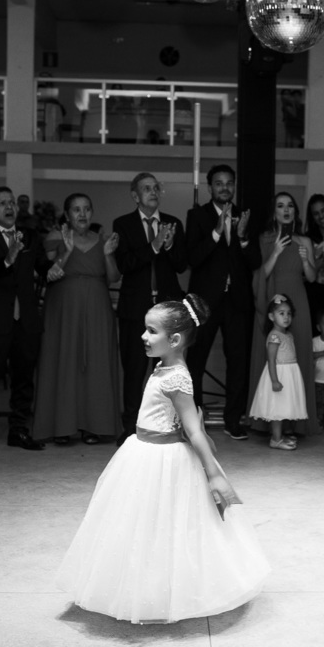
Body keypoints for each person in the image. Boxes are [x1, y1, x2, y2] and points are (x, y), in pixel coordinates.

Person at [55, 295, 270, 623]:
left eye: (151, 331)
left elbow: (195, 431)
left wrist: (213, 474)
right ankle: (141, 586)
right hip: (142, 450)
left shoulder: (177, 378)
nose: (143, 336)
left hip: (162, 458)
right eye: (145, 329)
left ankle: (167, 591)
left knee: (164, 525)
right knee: (140, 524)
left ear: (175, 340)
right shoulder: (163, 365)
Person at [32, 193, 122, 445]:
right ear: (67, 214)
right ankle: (61, 426)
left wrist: (106, 254)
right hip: (63, 307)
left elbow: (114, 277)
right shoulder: (54, 237)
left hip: (97, 306)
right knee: (62, 359)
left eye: (86, 209)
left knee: (96, 361)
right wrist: (68, 250)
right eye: (76, 210)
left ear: (92, 212)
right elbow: (50, 273)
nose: (82, 214)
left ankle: (95, 426)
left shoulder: (103, 239)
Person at [185, 165, 262, 440]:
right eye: (219, 183)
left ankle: (233, 420)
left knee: (238, 361)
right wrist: (216, 233)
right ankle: (193, 421)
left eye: (229, 183)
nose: (225, 188)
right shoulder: (197, 216)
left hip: (237, 301)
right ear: (210, 188)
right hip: (205, 302)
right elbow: (192, 259)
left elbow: (255, 262)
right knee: (196, 360)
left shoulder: (245, 216)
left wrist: (241, 237)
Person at [0, 187, 47, 454]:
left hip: (25, 319)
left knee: (24, 378)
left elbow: (44, 268)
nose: (9, 207)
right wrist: (7, 259)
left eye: (12, 202)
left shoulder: (30, 236)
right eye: (2, 203)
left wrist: (62, 261)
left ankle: (19, 430)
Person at [113, 173, 188, 445]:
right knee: (134, 369)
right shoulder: (123, 224)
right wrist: (155, 245)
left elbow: (181, 265)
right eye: (146, 189)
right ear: (135, 195)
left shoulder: (174, 224)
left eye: (156, 188)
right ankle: (131, 426)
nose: (153, 192)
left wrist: (169, 247)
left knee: (169, 369)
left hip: (166, 311)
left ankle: (170, 423)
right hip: (135, 309)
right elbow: (125, 265)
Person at [249, 192, 318, 437]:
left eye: (290, 205)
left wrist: (307, 261)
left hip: (298, 302)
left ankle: (296, 421)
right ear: (274, 212)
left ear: (295, 212)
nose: (286, 210)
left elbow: (311, 277)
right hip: (274, 300)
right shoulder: (266, 239)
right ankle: (270, 421)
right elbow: (259, 276)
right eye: (280, 206)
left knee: (296, 357)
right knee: (273, 356)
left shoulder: (305, 241)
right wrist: (276, 253)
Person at [249, 294, 308, 450]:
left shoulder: (288, 334)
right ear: (271, 316)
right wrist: (274, 380)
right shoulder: (274, 336)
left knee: (283, 407)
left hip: (290, 373)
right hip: (280, 374)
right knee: (278, 408)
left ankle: (279, 436)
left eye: (289, 313)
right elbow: (271, 359)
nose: (286, 317)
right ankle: (275, 439)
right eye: (281, 313)